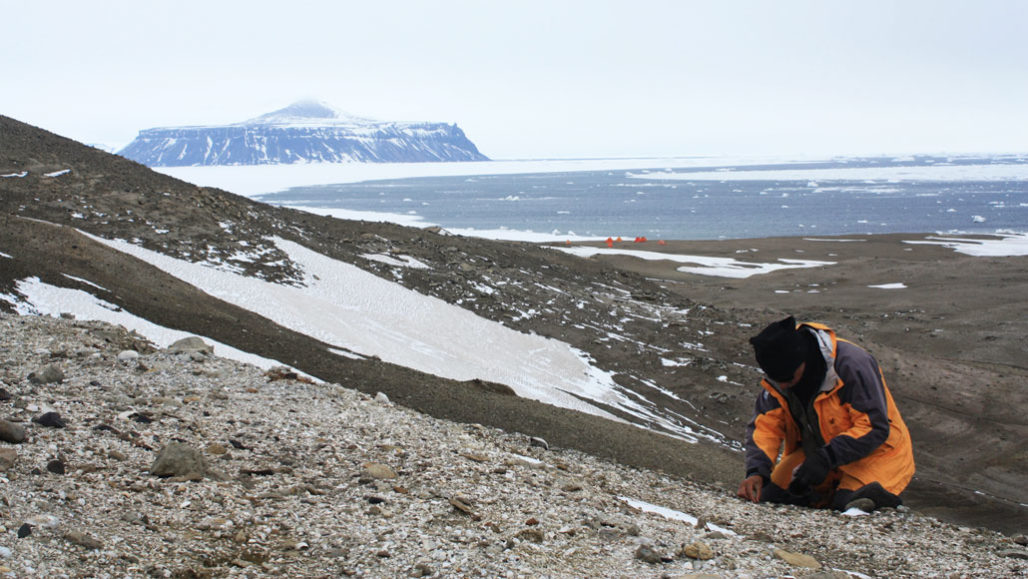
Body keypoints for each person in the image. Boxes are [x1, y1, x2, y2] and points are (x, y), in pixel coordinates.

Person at [737, 316, 915, 512]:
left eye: (787, 378)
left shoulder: (851, 364)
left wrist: (824, 459)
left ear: (803, 359)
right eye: (776, 379)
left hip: (877, 452)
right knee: (769, 496)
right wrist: (757, 471)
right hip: (819, 454)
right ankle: (827, 493)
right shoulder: (779, 378)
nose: (783, 386)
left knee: (846, 506)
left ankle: (884, 501)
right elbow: (765, 427)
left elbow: (874, 427)